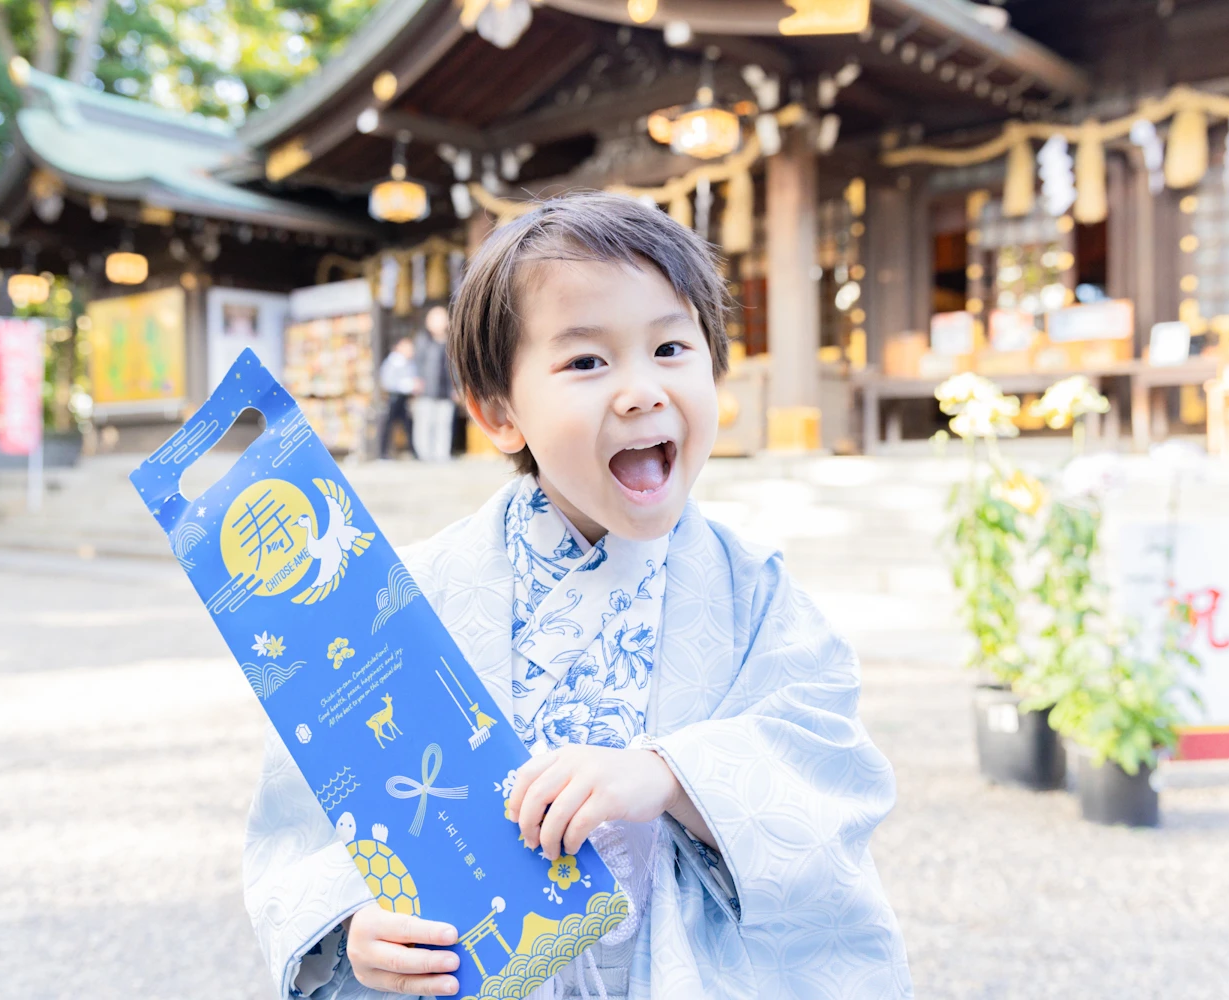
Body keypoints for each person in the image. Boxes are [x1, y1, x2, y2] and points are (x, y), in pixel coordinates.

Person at [244, 193, 913, 999]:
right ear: (498, 413)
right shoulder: (405, 599)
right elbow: (315, 808)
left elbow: (828, 760)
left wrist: (667, 774)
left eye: (671, 347)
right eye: (587, 362)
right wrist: (354, 924)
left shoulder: (751, 590)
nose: (640, 391)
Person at [411, 305, 456, 462]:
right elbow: (416, 363)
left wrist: (457, 387)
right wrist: (416, 380)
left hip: (445, 391)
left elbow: (455, 367)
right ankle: (424, 455)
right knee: (425, 423)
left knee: (444, 424)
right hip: (426, 390)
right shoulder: (422, 340)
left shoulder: (451, 342)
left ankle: (442, 454)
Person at [375, 337, 419, 460]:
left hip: (404, 398)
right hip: (394, 398)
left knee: (408, 425)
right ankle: (382, 453)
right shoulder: (393, 362)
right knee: (389, 425)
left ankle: (413, 451)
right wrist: (407, 384)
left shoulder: (409, 362)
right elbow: (387, 382)